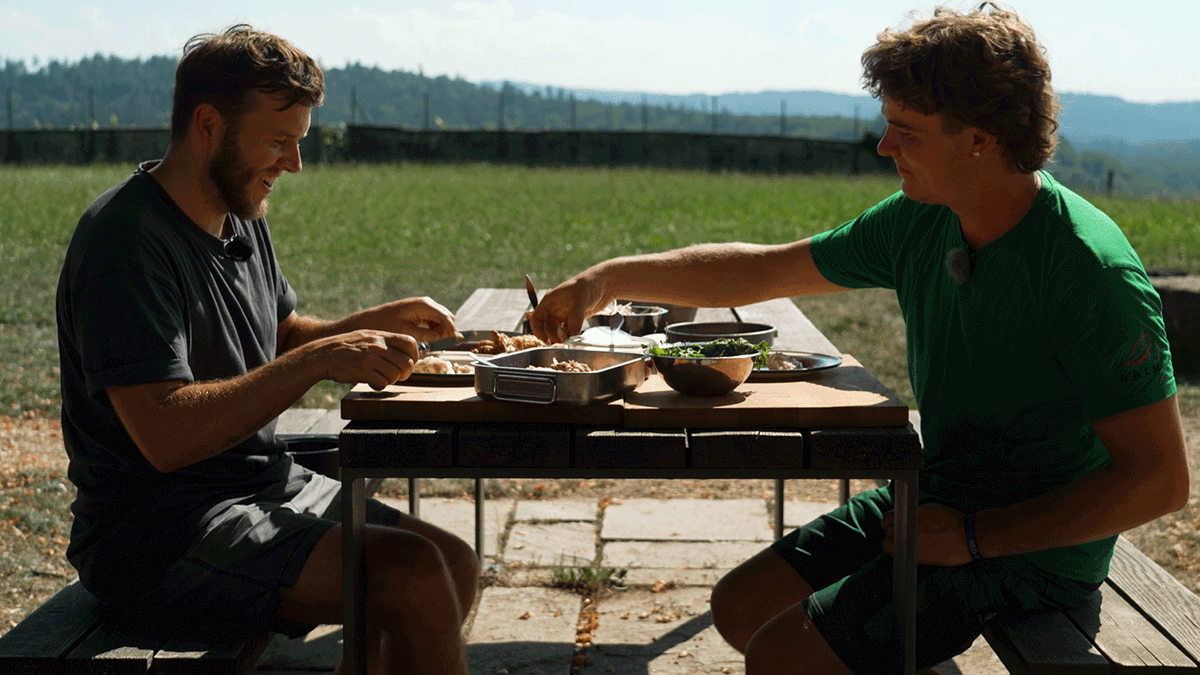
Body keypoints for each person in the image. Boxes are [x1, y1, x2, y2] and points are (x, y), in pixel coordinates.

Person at [530, 4, 1189, 674]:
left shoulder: (1086, 269)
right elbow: (766, 266)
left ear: (980, 139)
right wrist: (606, 278)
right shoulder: (921, 221)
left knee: (782, 657)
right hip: (940, 494)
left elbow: (1159, 481)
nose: (883, 148)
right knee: (743, 605)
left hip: (1036, 550)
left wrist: (972, 535)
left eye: (906, 132)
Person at [55, 25, 477, 675]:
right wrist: (318, 362)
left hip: (256, 481)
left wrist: (363, 327)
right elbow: (164, 431)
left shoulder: (239, 211)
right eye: (279, 142)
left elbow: (276, 336)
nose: (295, 163)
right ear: (207, 126)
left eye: (299, 142)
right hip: (159, 529)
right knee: (411, 575)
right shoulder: (125, 242)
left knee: (452, 562)